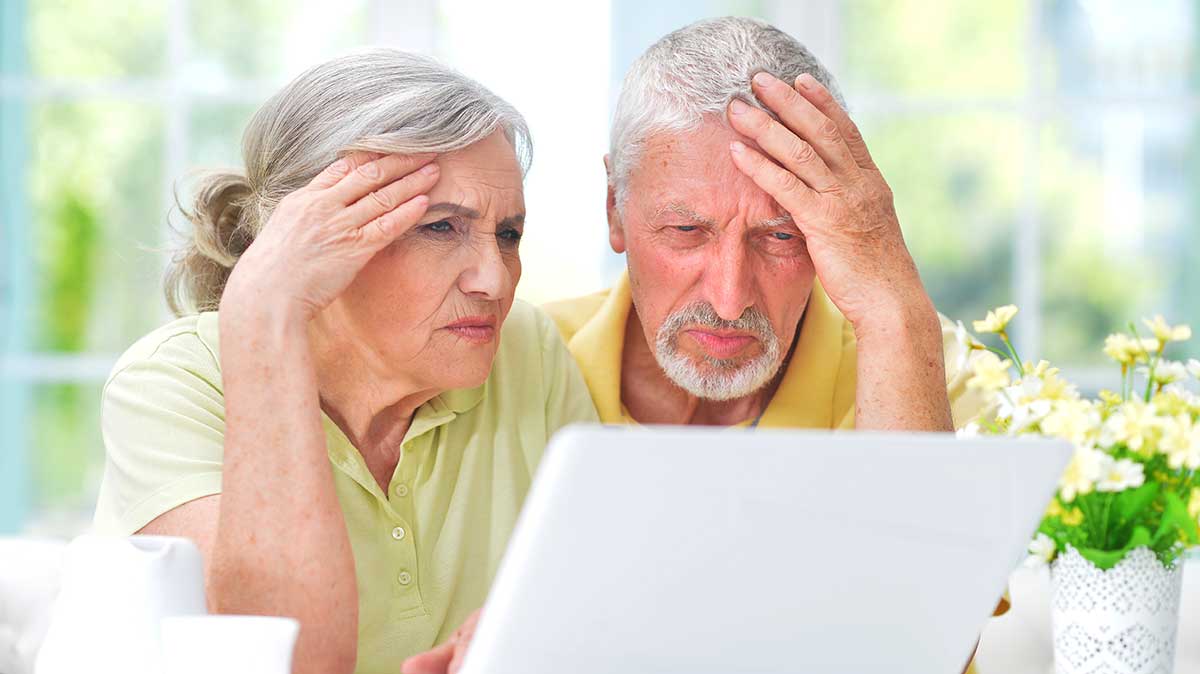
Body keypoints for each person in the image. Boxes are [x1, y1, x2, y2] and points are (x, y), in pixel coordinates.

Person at [402, 17, 1003, 674]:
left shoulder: (923, 362)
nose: (729, 297)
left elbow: (925, 644)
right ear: (614, 208)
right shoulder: (514, 362)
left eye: (781, 237)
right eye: (686, 231)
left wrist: (892, 304)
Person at [93, 49, 598, 674]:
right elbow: (285, 661)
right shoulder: (172, 386)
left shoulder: (528, 352)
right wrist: (264, 307)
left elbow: (608, 612)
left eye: (508, 234)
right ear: (311, 236)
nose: (494, 280)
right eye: (440, 227)